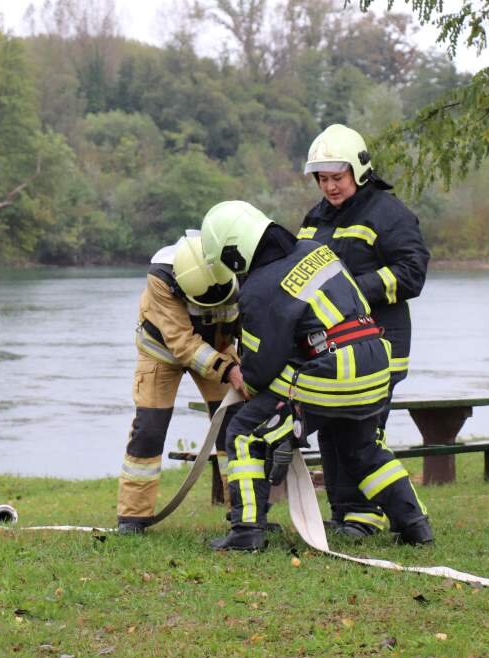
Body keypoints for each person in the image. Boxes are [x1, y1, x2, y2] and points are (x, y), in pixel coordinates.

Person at [199, 200, 434, 551]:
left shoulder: (259, 287)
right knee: (363, 447)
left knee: (244, 431)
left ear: (235, 253)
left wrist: (243, 377)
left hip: (332, 371)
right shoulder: (315, 250)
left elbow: (261, 368)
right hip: (374, 360)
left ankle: (246, 531)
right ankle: (414, 524)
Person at [297, 124, 430, 539]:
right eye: (323, 179)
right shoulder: (315, 218)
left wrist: (351, 292)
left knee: (362, 432)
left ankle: (372, 513)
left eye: (337, 178)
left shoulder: (389, 215)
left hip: (380, 344)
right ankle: (347, 513)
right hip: (332, 346)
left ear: (359, 171)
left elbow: (412, 273)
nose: (330, 187)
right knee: (334, 428)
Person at [116, 234, 247, 534]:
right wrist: (229, 371)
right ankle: (133, 518)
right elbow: (182, 343)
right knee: (149, 427)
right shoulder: (161, 277)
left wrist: (251, 365)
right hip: (161, 352)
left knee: (235, 426)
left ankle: (243, 512)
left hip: (219, 348)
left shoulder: (239, 268)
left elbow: (250, 321)